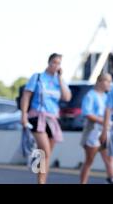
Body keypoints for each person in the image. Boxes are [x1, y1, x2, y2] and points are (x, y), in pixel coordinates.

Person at [20, 53, 72, 184]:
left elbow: (67, 97)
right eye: (54, 62)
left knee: (45, 155)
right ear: (48, 63)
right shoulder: (38, 77)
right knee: (45, 151)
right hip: (37, 116)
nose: (56, 65)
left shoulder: (59, 81)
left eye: (59, 63)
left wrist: (60, 78)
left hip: (52, 118)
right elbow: (26, 96)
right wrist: (24, 115)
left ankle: (40, 178)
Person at [79, 73, 113, 184]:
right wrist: (104, 121)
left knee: (109, 159)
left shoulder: (107, 96)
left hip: (106, 131)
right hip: (93, 131)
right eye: (107, 81)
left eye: (110, 81)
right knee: (89, 160)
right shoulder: (90, 95)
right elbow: (87, 113)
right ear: (99, 81)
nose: (109, 84)